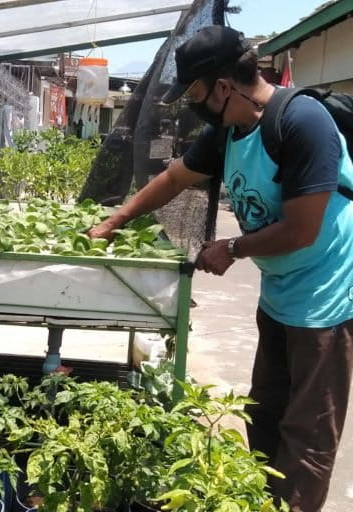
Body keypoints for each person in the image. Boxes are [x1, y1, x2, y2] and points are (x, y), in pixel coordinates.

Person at [87, 25, 353, 512]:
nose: (192, 103)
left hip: (328, 299)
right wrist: (115, 220)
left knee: (308, 433)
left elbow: (302, 230)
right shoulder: (230, 129)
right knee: (265, 413)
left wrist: (231, 248)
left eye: (194, 91)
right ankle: (258, 501)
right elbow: (174, 177)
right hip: (279, 291)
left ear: (224, 85)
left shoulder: (303, 123)